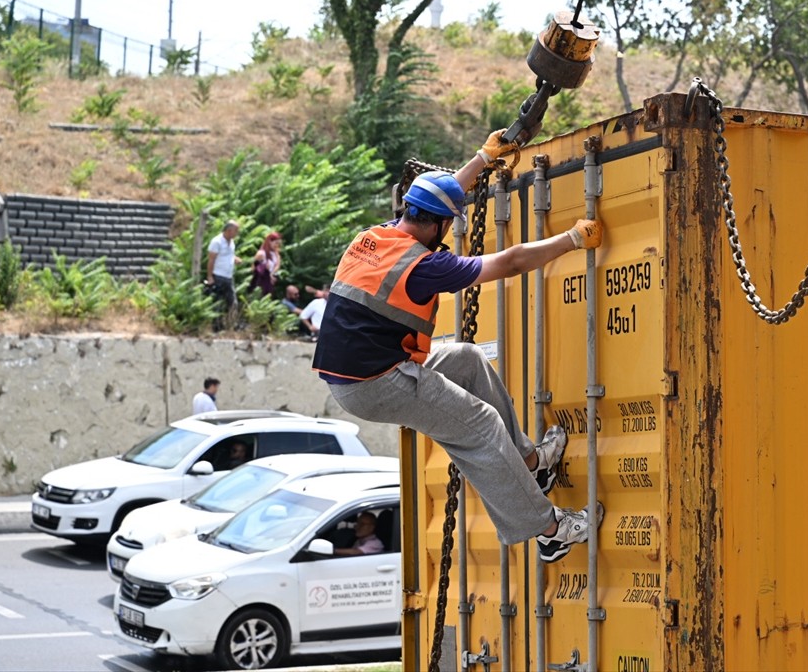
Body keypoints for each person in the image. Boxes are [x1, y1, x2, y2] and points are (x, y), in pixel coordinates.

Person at [313, 131, 605, 563]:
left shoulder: (374, 238)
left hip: (360, 374)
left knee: (467, 360)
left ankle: (528, 463)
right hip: (377, 382)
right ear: (441, 225)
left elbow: (439, 198)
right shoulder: (425, 266)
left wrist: (483, 159)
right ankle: (549, 530)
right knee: (481, 426)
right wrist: (572, 240)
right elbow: (510, 262)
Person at [205, 220, 241, 328]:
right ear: (229, 230)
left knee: (232, 302)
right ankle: (216, 326)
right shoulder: (217, 242)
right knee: (217, 303)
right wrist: (210, 276)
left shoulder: (232, 242)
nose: (237, 233)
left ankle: (233, 324)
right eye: (236, 231)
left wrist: (235, 259)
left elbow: (228, 255)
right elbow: (211, 260)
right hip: (218, 276)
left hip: (229, 276)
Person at [248, 231, 283, 296]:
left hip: (270, 280)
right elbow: (253, 267)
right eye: (276, 243)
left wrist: (271, 274)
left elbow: (277, 265)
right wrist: (263, 267)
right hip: (261, 279)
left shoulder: (276, 254)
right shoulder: (261, 253)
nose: (277, 245)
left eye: (278, 244)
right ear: (269, 242)